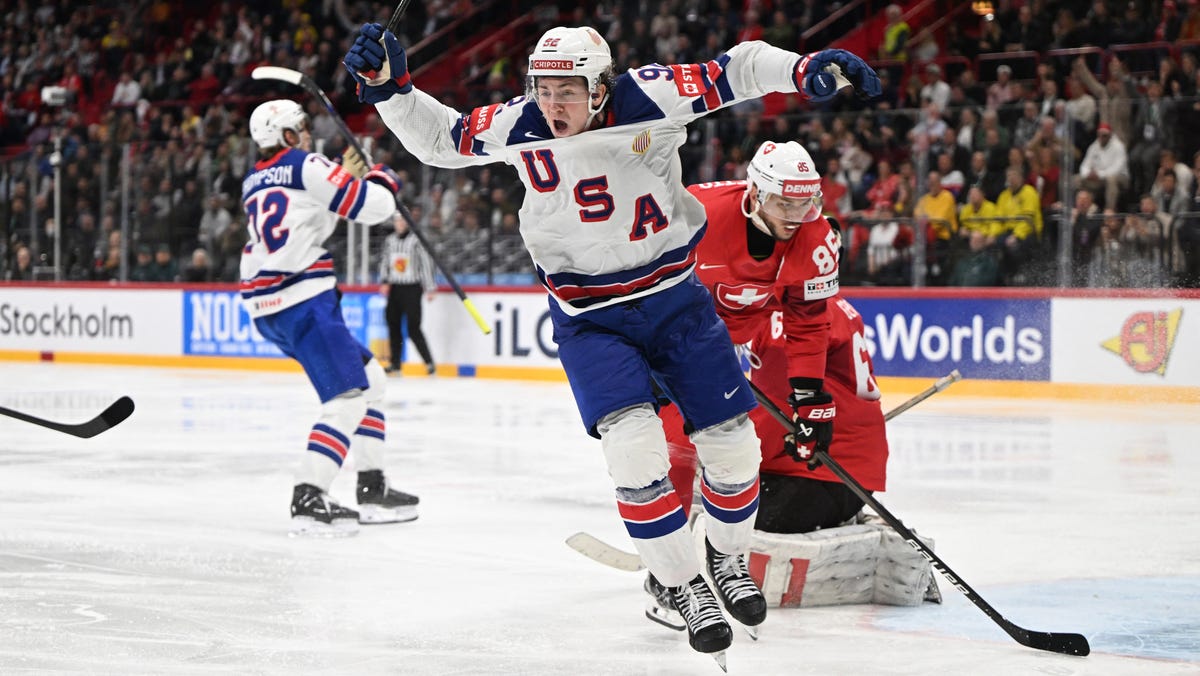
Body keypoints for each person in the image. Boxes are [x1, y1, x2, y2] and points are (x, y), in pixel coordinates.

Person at [345, 22, 880, 659]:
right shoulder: (523, 122)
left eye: (568, 89)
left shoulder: (651, 96)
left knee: (734, 449)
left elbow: (739, 67)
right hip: (590, 319)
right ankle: (684, 585)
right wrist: (389, 88)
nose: (553, 104)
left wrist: (801, 67)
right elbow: (440, 140)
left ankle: (726, 559)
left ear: (602, 87)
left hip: (675, 304)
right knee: (634, 452)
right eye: (543, 88)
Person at [239, 99, 419, 538]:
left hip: (269, 304)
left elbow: (314, 214)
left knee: (372, 382)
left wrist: (343, 172)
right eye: (299, 128)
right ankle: (309, 493)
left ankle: (372, 486)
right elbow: (373, 208)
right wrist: (381, 179)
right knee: (348, 399)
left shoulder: (253, 182)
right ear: (285, 135)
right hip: (303, 298)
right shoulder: (305, 163)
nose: (304, 134)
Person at [378, 211, 437, 375]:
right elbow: (385, 261)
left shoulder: (416, 241)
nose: (400, 224)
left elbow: (426, 263)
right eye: (398, 221)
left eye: (403, 221)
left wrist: (430, 287)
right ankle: (395, 364)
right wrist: (384, 281)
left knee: (413, 327)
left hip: (412, 288)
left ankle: (429, 362)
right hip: (395, 287)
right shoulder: (390, 241)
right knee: (393, 324)